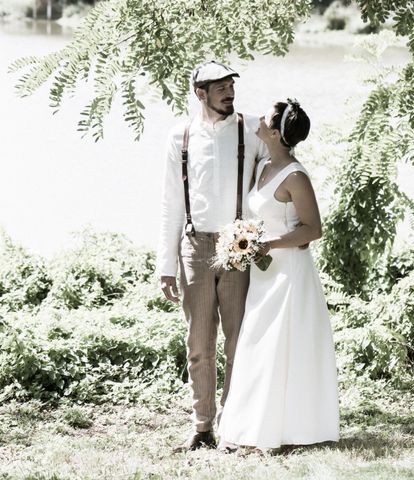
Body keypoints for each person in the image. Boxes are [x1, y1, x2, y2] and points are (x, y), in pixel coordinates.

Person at [217, 99, 340, 453]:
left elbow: (313, 229)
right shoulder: (265, 166)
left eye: (265, 118)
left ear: (274, 132)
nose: (257, 118)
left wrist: (270, 243)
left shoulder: (295, 176)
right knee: (256, 344)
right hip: (263, 272)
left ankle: (276, 433)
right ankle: (247, 428)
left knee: (279, 347)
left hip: (289, 273)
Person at [157, 60, 268, 452]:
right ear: (200, 93)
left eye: (231, 85)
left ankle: (234, 427)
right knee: (199, 343)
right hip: (195, 247)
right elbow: (171, 203)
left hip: (239, 247)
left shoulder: (253, 129)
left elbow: (278, 176)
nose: (229, 91)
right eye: (219, 87)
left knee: (239, 340)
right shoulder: (180, 136)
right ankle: (202, 427)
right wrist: (165, 266)